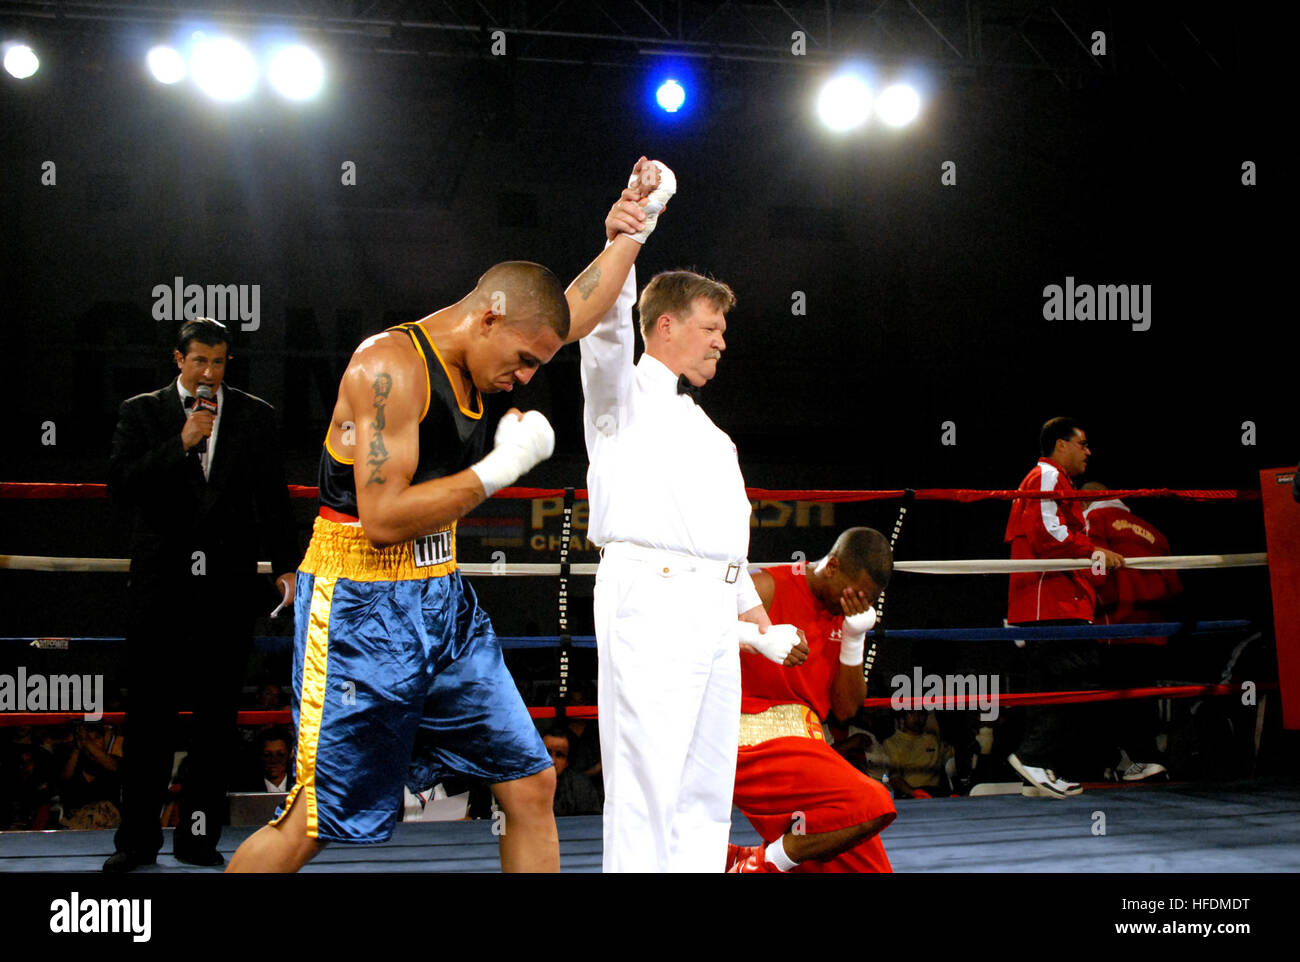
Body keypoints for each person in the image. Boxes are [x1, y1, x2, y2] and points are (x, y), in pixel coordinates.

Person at [228, 171, 655, 873]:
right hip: (358, 607)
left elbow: (571, 308)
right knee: (314, 817)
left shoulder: (511, 330)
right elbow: (384, 519)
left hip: (442, 601)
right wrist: (500, 467)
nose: (524, 380)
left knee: (530, 782)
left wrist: (628, 234)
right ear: (489, 314)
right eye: (522, 362)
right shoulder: (387, 369)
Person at [582, 159, 808, 872]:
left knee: (706, 790)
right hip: (647, 597)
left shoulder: (712, 436)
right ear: (668, 325)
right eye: (711, 326)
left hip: (712, 612)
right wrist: (630, 232)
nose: (721, 340)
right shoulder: (622, 395)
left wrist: (756, 623)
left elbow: (726, 550)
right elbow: (602, 329)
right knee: (646, 783)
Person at [105, 318, 299, 871]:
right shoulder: (140, 412)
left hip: (226, 591)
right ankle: (136, 844)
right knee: (149, 724)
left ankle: (197, 840)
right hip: (160, 590)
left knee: (215, 725)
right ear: (179, 360)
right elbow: (120, 487)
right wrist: (180, 443)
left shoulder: (255, 416)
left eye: (218, 362)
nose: (209, 373)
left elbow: (274, 501)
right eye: (199, 362)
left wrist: (286, 566)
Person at [727, 528, 897, 873]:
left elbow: (846, 710)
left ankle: (729, 860)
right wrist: (757, 638)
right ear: (832, 566)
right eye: (856, 593)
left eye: (868, 600)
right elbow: (694, 636)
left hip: (811, 750)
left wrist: (853, 638)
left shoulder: (847, 614)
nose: (858, 604)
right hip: (751, 740)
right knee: (873, 802)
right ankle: (761, 864)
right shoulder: (765, 587)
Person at [1004, 417, 1124, 799]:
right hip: (1049, 601)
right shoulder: (1046, 475)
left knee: (1059, 681)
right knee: (1072, 675)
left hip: (1059, 600)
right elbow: (1048, 533)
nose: (1089, 451)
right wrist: (1095, 551)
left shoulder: (1058, 482)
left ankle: (1041, 763)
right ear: (1060, 445)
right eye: (1082, 443)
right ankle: (1034, 756)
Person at [1082, 482, 1179, 780]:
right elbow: (1174, 585)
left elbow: (1093, 566)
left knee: (1110, 696)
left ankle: (1127, 761)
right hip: (1153, 627)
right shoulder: (1151, 529)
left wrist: (1091, 598)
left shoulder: (1094, 520)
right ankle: (1138, 761)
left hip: (1114, 623)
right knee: (1140, 693)